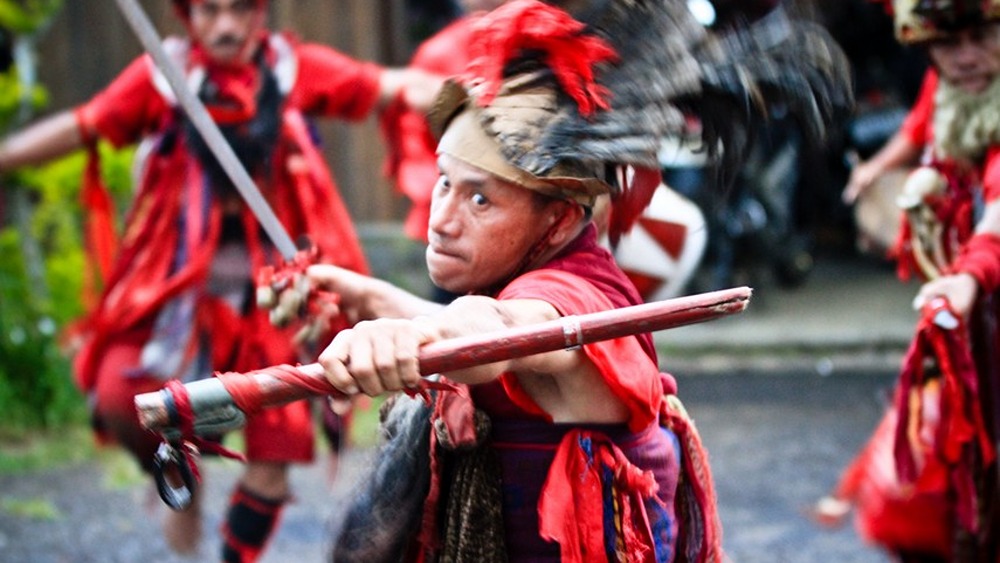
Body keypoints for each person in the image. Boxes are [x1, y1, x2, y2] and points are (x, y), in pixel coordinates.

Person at [287, 1, 849, 560]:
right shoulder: (524, 277)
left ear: (557, 221)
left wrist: (396, 339)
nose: (442, 218)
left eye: (480, 198)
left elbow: (495, 332)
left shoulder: (576, 297)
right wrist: (365, 299)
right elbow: (477, 337)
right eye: (443, 183)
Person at [0, 0, 440, 561]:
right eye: (210, 10)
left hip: (275, 296)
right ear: (188, 17)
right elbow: (83, 124)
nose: (227, 26)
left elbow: (390, 86)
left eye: (240, 9)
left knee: (276, 449)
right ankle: (176, 466)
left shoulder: (293, 69)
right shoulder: (163, 77)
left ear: (261, 13)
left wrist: (475, 94)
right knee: (119, 393)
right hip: (179, 295)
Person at [821, 1, 1000, 560]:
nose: (965, 57)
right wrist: (875, 171)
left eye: (981, 37)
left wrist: (971, 275)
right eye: (947, 45)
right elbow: (919, 127)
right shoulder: (946, 88)